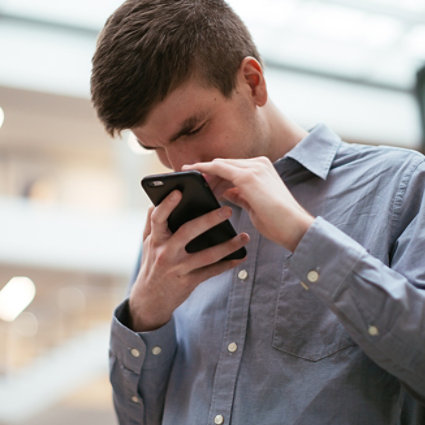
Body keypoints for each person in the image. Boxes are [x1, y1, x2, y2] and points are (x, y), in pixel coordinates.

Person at [90, 1, 425, 424]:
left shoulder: (402, 186)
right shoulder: (169, 238)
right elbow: (137, 418)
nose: (180, 164)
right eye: (154, 147)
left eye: (192, 129)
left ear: (252, 82)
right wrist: (144, 314)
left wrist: (306, 238)